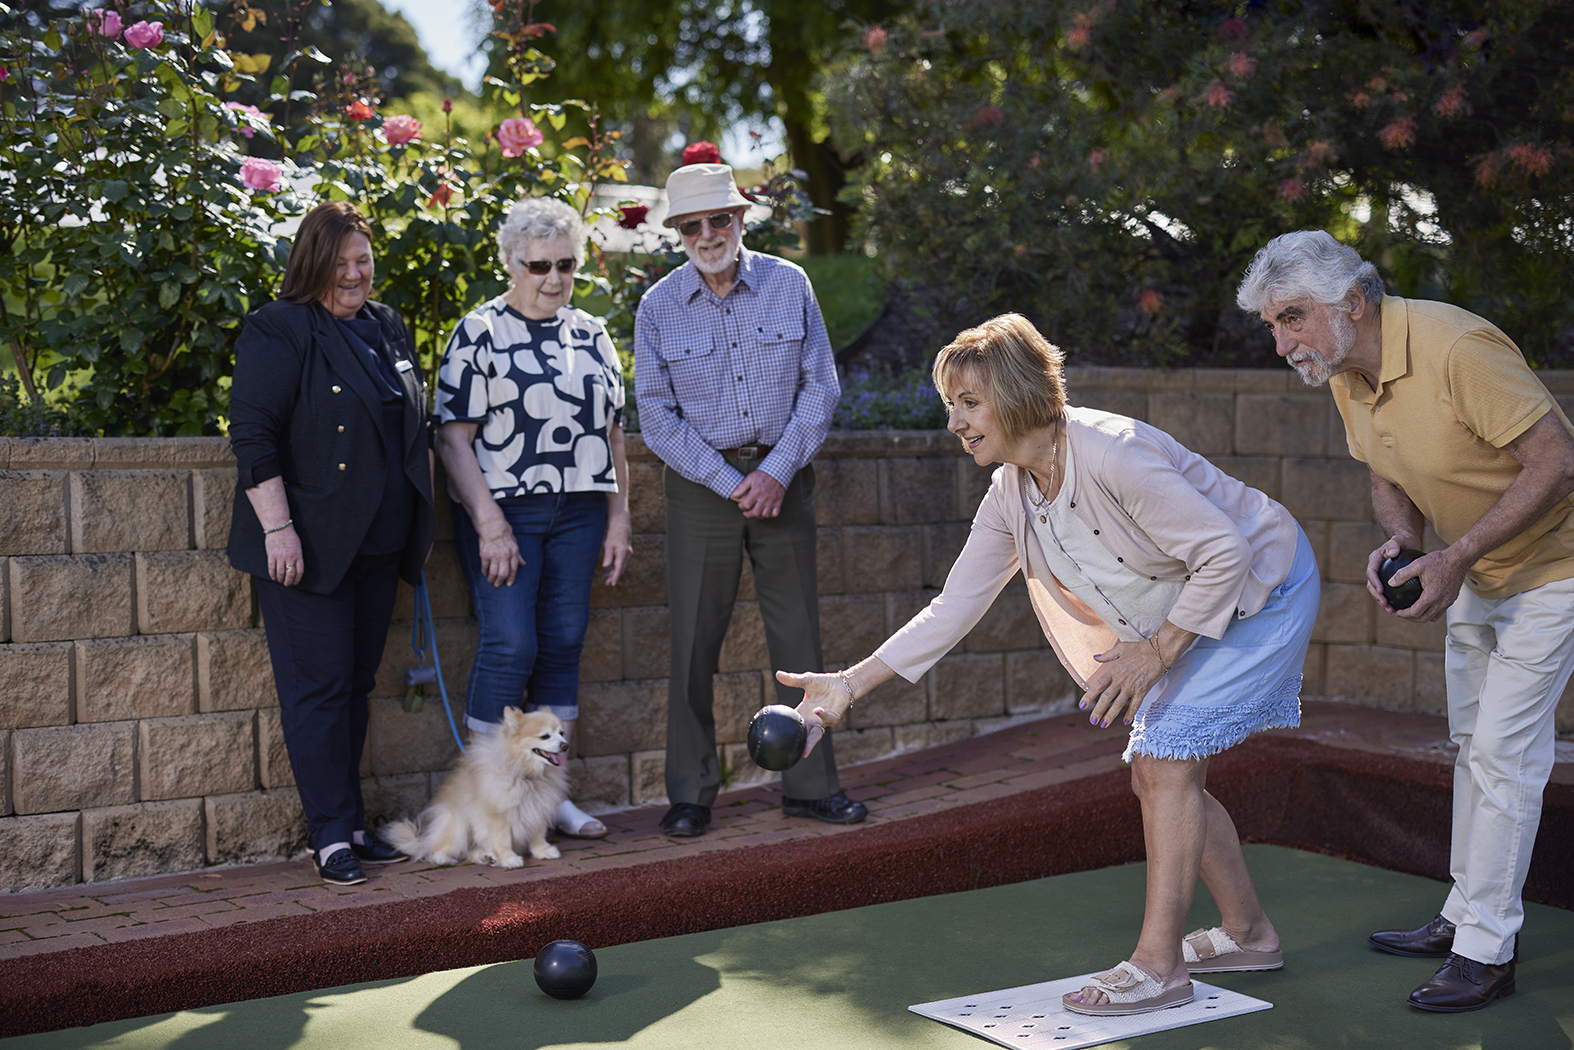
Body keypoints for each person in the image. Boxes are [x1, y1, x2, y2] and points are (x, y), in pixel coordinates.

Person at [779, 313, 1319, 1016]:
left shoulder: (1112, 451)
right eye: (953, 407)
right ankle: (1248, 934)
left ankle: (1160, 968)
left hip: (1264, 589)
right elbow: (952, 608)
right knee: (1158, 772)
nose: (956, 423)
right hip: (1189, 608)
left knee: (1163, 765)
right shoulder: (1011, 494)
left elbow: (1225, 552)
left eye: (969, 404)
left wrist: (1155, 653)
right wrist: (848, 684)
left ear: (1012, 393)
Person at [1237, 230, 1574, 1012]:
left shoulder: (1457, 347)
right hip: (1473, 569)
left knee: (1503, 752)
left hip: (1554, 572)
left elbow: (1557, 458)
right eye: (1272, 325)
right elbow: (1386, 470)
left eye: (1292, 318)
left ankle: (1487, 950)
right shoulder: (1344, 368)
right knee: (1468, 747)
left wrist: (1457, 558)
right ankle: (1462, 915)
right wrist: (1408, 541)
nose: (1283, 342)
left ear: (1353, 302)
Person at [633, 159, 866, 837]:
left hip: (783, 481)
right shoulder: (657, 308)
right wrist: (731, 481)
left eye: (720, 219)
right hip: (703, 490)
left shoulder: (790, 285)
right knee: (693, 645)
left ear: (740, 220)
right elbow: (655, 415)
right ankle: (690, 793)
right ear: (679, 231)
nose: (709, 234)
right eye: (694, 224)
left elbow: (820, 387)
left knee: (800, 640)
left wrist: (777, 471)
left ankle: (811, 787)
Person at [228, 201, 436, 887]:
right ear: (312, 263)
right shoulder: (278, 329)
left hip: (378, 542)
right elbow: (253, 437)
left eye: (363, 261)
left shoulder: (386, 326)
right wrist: (277, 528)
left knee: (353, 688)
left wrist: (422, 522)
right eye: (342, 263)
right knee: (316, 692)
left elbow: (412, 427)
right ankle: (328, 838)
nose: (355, 274)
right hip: (308, 546)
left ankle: (349, 822)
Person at [434, 196, 631, 840]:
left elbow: (612, 436)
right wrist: (489, 524)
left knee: (563, 642)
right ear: (511, 264)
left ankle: (548, 799)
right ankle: (489, 801)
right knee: (511, 643)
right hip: (504, 512)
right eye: (539, 265)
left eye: (566, 265)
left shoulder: (592, 333)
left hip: (579, 509)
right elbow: (452, 440)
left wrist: (619, 518)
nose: (554, 278)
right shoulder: (478, 331)